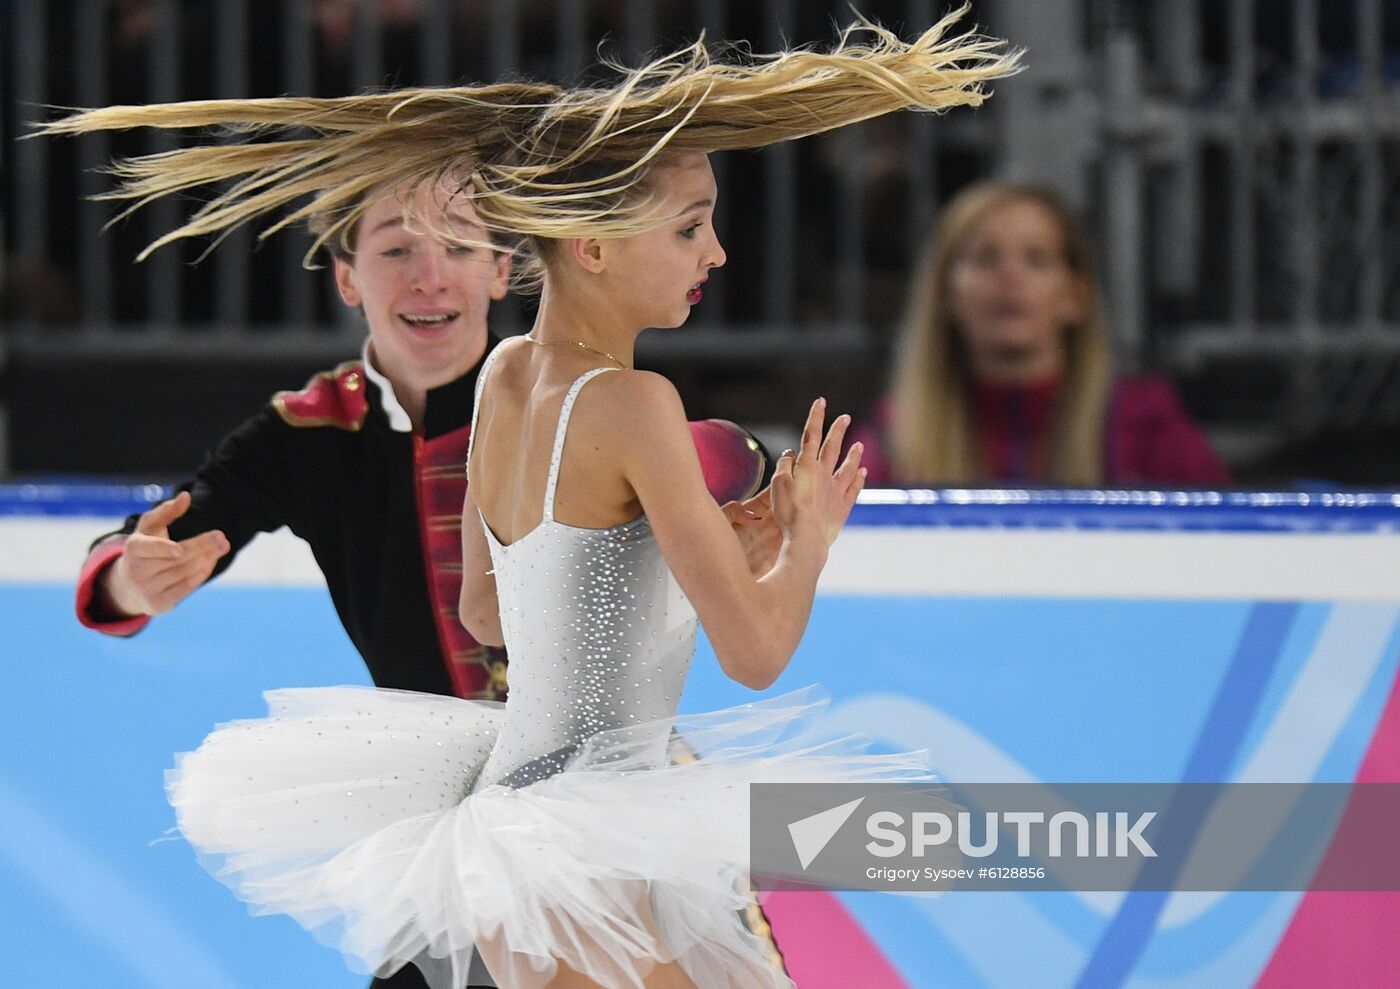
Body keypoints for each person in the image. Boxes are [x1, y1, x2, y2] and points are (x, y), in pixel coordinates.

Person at [49, 10, 1017, 987]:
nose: (716, 254)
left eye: (456, 248)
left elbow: (487, 611)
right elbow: (756, 653)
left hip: (513, 814)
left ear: (508, 262)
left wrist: (687, 557)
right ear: (590, 245)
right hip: (595, 821)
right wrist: (803, 537)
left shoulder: (507, 375)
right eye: (689, 228)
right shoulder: (624, 403)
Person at [71, 182, 780, 988]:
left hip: (606, 796)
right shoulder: (311, 433)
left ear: (500, 269)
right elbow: (162, 537)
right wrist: (133, 576)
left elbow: (731, 455)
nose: (430, 277)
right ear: (347, 277)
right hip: (454, 820)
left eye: (460, 248)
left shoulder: (556, 394)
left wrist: (698, 478)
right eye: (397, 249)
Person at [851, 181, 1231, 487]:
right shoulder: (892, 439)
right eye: (985, 257)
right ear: (946, 295)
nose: (1010, 276)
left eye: (1037, 258)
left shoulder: (1146, 426)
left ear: (1075, 296)